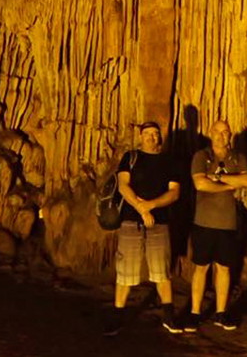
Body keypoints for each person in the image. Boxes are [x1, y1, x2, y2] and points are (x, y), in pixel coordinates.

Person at [105, 121, 181, 336]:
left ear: (160, 137)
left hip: (160, 222)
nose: (151, 137)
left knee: (162, 271)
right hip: (131, 220)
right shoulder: (130, 158)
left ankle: (169, 316)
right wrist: (141, 208)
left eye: (155, 133)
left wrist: (151, 205)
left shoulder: (169, 161)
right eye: (147, 133)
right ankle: (117, 315)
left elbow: (175, 192)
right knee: (125, 272)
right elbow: (123, 185)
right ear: (141, 137)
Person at [187, 119, 247, 332]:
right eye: (217, 131)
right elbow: (200, 184)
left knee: (224, 268)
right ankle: (195, 312)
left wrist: (217, 179)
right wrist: (229, 184)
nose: (221, 136)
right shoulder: (201, 156)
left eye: (225, 132)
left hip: (228, 222)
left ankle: (221, 313)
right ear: (210, 133)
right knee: (201, 268)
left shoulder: (238, 157)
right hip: (203, 221)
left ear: (230, 135)